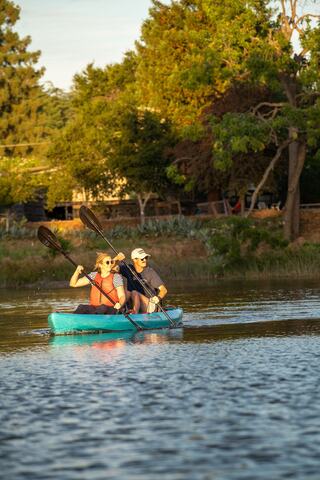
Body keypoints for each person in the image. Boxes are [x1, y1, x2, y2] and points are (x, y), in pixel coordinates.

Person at [119, 248, 167, 314]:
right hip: (133, 303)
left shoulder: (150, 272)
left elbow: (164, 290)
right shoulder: (128, 268)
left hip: (150, 305)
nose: (144, 260)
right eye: (142, 259)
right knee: (126, 291)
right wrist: (116, 259)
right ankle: (119, 310)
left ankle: (134, 313)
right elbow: (112, 268)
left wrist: (158, 297)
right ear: (135, 260)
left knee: (133, 292)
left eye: (146, 258)